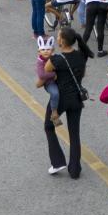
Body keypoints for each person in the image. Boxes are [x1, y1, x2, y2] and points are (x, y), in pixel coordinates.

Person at [43, 27, 93, 178]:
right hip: (76, 99)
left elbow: (46, 71)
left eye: (58, 36)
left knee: (49, 126)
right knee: (74, 133)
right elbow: (82, 73)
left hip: (60, 100)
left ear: (63, 41)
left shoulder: (56, 59)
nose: (56, 38)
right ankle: (75, 169)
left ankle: (58, 161)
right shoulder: (81, 55)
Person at [35, 36, 61, 126]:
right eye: (43, 49)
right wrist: (54, 74)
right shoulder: (40, 62)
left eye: (48, 49)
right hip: (49, 82)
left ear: (52, 50)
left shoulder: (54, 58)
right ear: (39, 52)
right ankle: (54, 113)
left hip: (57, 80)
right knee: (55, 93)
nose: (45, 51)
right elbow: (41, 75)